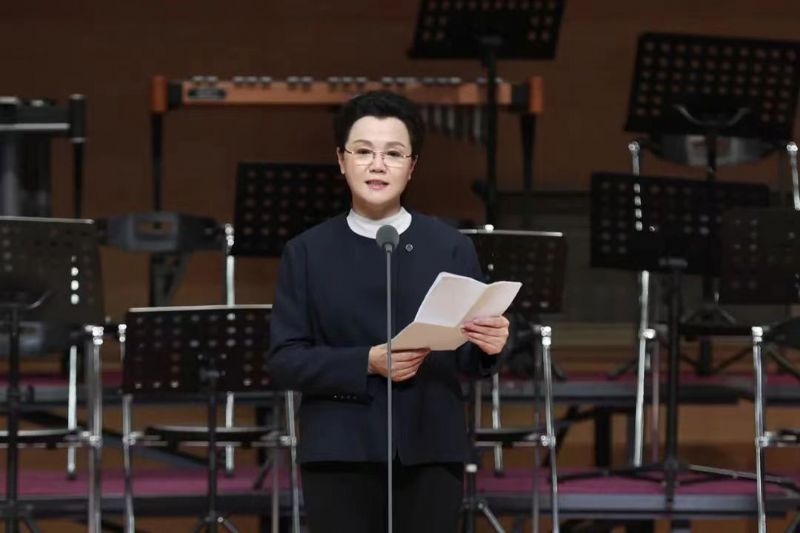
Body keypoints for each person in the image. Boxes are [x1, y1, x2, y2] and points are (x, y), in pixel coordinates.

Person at [267, 90, 510, 533]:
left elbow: (467, 357)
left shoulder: (450, 246)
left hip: (430, 445)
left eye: (394, 154)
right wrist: (367, 361)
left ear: (412, 166)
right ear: (341, 161)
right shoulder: (306, 252)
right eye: (363, 151)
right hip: (340, 448)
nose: (377, 165)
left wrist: (489, 346)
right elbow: (285, 359)